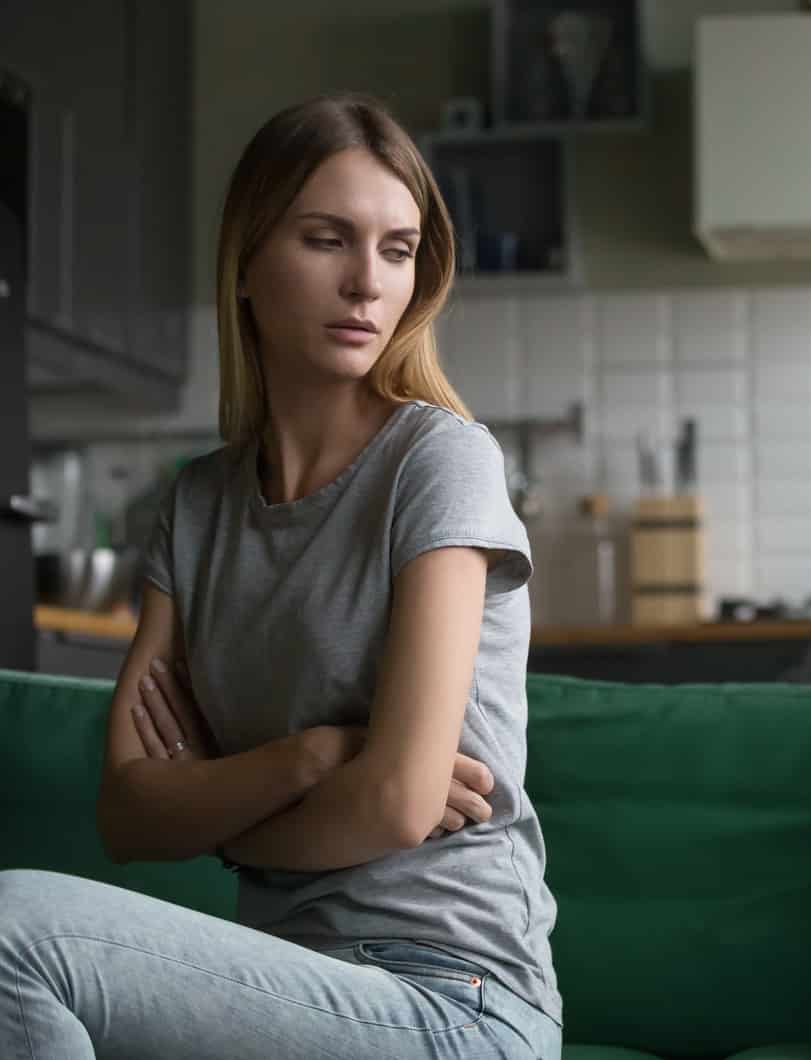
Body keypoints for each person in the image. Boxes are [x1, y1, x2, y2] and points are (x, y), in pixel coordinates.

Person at [0, 94, 561, 1058]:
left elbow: (396, 803)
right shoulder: (200, 505)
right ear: (249, 262)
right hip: (278, 986)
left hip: (453, 999)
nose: (366, 284)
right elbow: (130, 814)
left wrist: (229, 824)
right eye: (327, 239)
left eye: (397, 249)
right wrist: (305, 760)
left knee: (11, 932)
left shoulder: (439, 461)